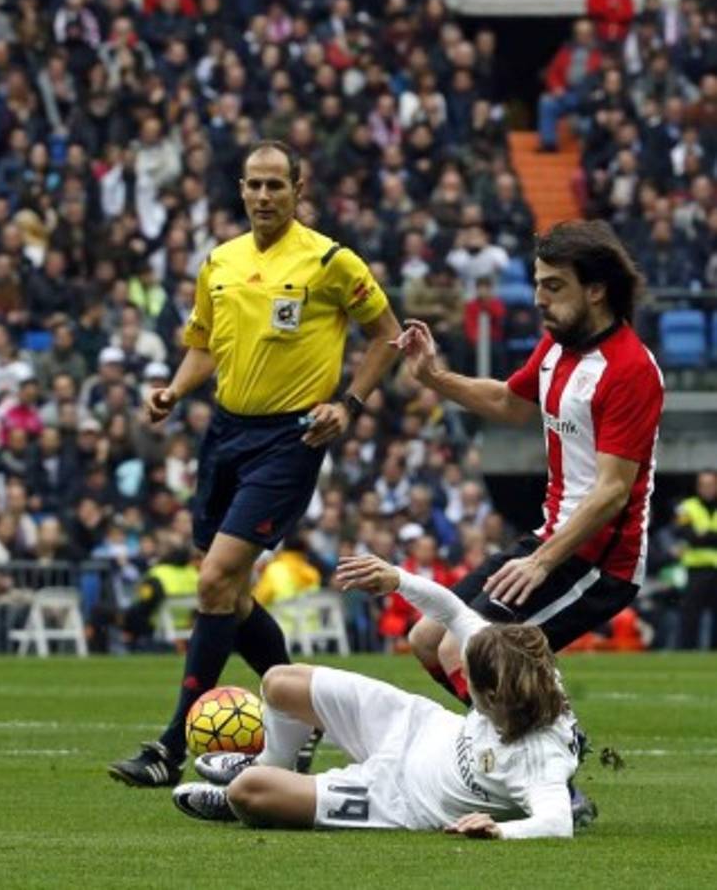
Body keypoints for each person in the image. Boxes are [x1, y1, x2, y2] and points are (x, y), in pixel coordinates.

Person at [108, 140, 400, 787]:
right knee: (229, 595)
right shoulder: (220, 261)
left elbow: (387, 335)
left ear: (298, 189)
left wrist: (348, 404)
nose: (264, 196)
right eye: (254, 185)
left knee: (215, 581)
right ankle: (306, 714)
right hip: (224, 434)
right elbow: (203, 346)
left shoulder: (330, 261)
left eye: (276, 185)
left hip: (290, 439)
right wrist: (173, 391)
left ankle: (170, 748)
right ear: (240, 189)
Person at [394, 221, 663, 708]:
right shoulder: (557, 345)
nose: (539, 298)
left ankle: (542, 744)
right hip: (550, 539)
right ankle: (529, 734)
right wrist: (433, 376)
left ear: (596, 290)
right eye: (539, 284)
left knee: (466, 649)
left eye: (554, 286)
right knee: (427, 639)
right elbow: (509, 403)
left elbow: (612, 492)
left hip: (601, 562)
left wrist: (542, 561)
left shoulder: (630, 370)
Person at [171, 554, 579, 839]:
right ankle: (271, 762)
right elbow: (453, 612)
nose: (462, 678)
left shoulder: (539, 755)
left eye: (468, 677)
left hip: (398, 800)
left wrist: (498, 829)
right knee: (280, 682)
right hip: (413, 724)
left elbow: (557, 822)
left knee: (249, 792)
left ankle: (244, 789)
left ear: (491, 694)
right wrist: (397, 578)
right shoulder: (510, 659)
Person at [674, 470, 717, 649]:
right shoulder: (686, 507)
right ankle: (687, 651)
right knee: (690, 613)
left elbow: (696, 536)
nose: (707, 488)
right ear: (698, 487)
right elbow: (685, 534)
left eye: (711, 484)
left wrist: (702, 535)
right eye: (703, 485)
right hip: (696, 569)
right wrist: (711, 536)